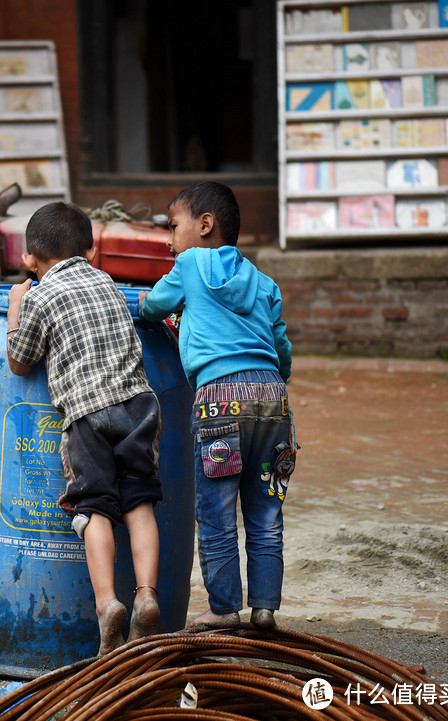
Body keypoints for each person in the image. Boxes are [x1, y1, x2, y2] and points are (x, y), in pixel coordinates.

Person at [6, 201, 162, 654]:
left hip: (87, 414)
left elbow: (19, 362)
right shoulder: (108, 281)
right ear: (91, 252)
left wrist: (17, 307)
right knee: (140, 502)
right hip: (139, 404)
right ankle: (147, 595)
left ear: (30, 259)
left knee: (93, 507)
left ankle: (108, 603)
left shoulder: (38, 294)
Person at [139, 181, 295, 632]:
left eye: (173, 227)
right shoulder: (265, 283)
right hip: (273, 400)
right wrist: (270, 379)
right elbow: (282, 350)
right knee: (266, 510)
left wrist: (148, 307)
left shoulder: (189, 264)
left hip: (219, 400)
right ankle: (264, 607)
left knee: (216, 510)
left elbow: (154, 306)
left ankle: (224, 608)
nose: (169, 241)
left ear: (204, 225)